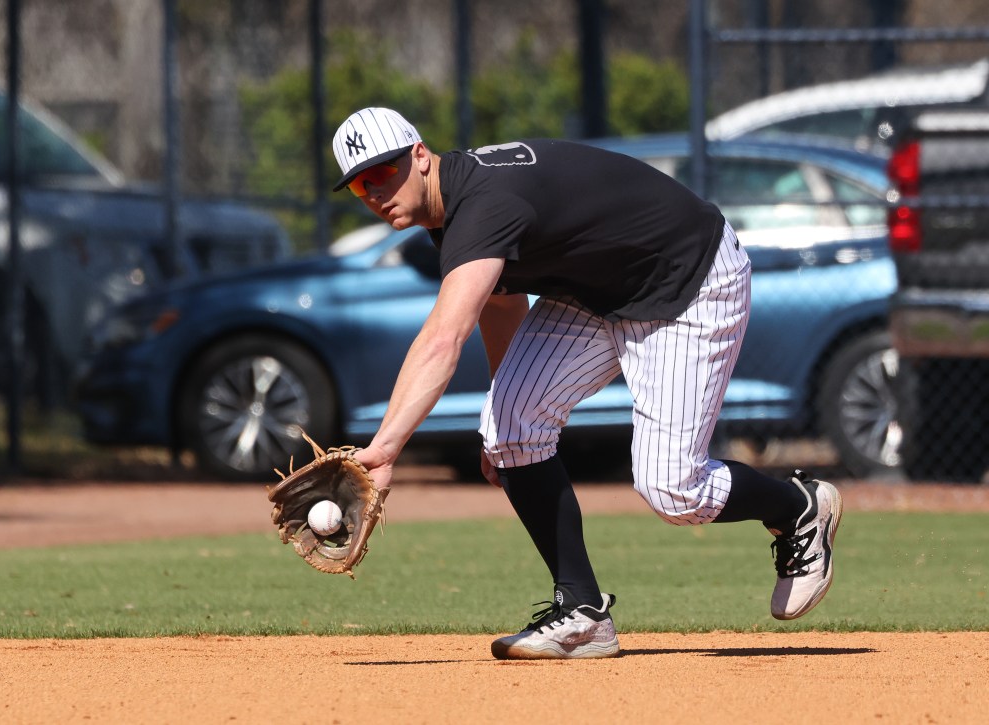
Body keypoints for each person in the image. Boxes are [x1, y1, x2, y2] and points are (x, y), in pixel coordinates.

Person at [332, 107, 842, 660]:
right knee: (511, 432)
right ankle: (582, 614)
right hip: (599, 291)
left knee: (673, 489)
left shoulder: (482, 205)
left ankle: (798, 507)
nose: (374, 191)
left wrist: (384, 450)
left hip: (686, 281)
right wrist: (508, 415)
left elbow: (441, 340)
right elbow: (500, 305)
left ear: (420, 155)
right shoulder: (451, 209)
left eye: (383, 171)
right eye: (360, 184)